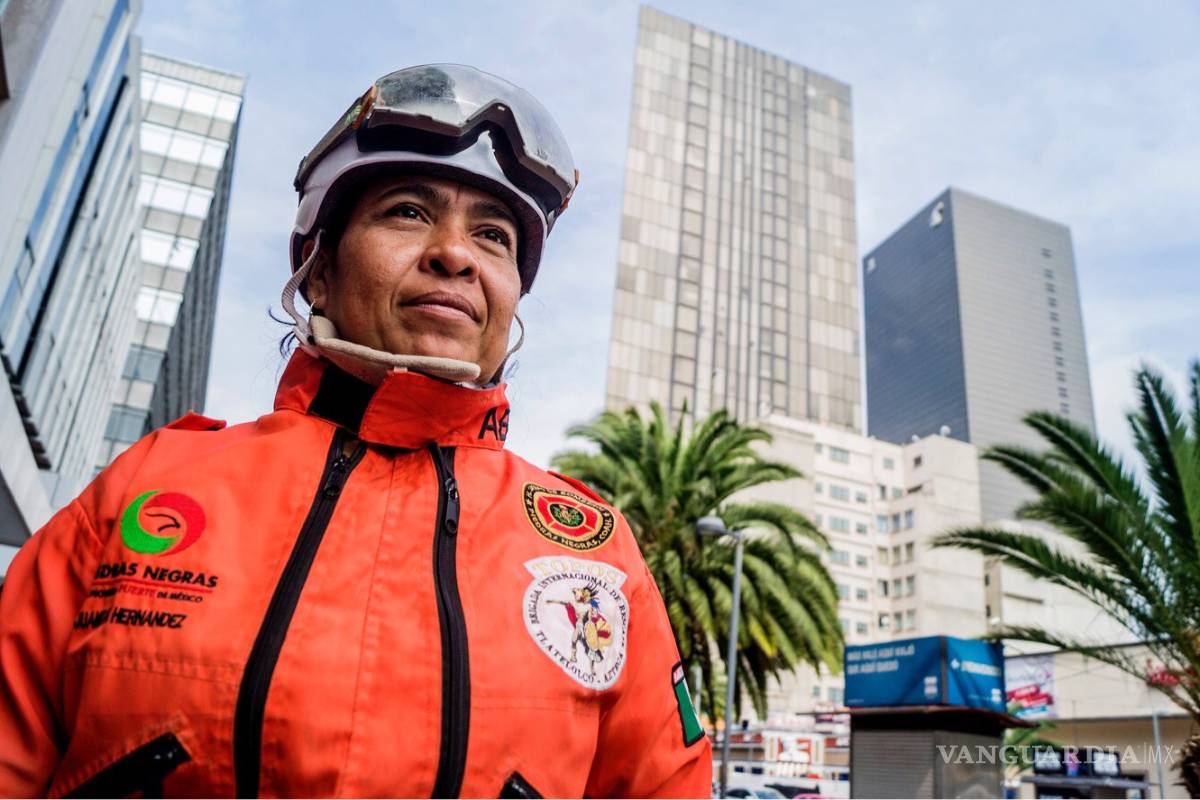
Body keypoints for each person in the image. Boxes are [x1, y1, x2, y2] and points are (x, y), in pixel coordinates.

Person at [0, 65, 712, 797]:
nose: (456, 255)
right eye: (407, 212)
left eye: (493, 236)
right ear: (318, 272)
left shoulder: (597, 551)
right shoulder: (146, 486)